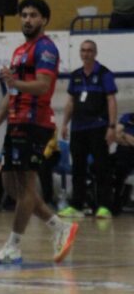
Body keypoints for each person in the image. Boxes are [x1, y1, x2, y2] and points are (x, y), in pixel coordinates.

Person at [0, 0, 78, 265]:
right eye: (23, 15)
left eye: (33, 15)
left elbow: (43, 86)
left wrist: (15, 82)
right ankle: (59, 226)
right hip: (16, 122)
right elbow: (12, 92)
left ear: (44, 20)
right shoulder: (20, 50)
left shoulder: (46, 49)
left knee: (25, 188)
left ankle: (14, 245)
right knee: (11, 185)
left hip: (35, 124)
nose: (27, 20)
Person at [59, 40, 118, 219]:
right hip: (78, 129)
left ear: (95, 53)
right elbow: (70, 102)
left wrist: (112, 127)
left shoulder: (104, 74)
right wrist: (64, 124)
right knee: (78, 168)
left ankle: (104, 207)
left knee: (102, 168)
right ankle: (77, 205)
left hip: (98, 128)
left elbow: (111, 100)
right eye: (83, 50)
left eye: (90, 50)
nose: (86, 54)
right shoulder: (75, 75)